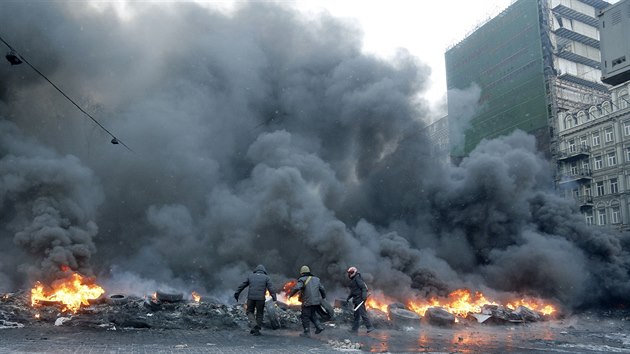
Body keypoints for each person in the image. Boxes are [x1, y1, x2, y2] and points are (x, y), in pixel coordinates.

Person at [234, 264, 277, 336]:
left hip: (251, 298)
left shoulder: (250, 276)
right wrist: (274, 297)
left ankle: (254, 325)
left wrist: (237, 294)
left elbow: (242, 285)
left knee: (249, 311)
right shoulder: (266, 278)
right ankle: (257, 330)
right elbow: (271, 288)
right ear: (264, 271)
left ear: (256, 270)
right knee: (259, 314)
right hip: (261, 299)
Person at [288, 265, 326, 337]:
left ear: (302, 273)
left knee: (305, 316)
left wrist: (290, 295)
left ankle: (307, 332)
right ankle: (319, 327)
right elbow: (322, 289)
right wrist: (323, 297)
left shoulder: (302, 279)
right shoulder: (317, 279)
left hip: (307, 302)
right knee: (312, 314)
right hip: (316, 302)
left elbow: (297, 288)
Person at [345, 266, 374, 334]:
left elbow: (364, 288)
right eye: (349, 273)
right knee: (356, 316)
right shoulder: (354, 279)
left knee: (363, 313)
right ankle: (354, 330)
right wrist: (348, 298)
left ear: (354, 272)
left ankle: (370, 327)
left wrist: (363, 297)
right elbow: (353, 291)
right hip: (356, 299)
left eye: (351, 272)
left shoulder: (358, 278)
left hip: (359, 299)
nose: (350, 274)